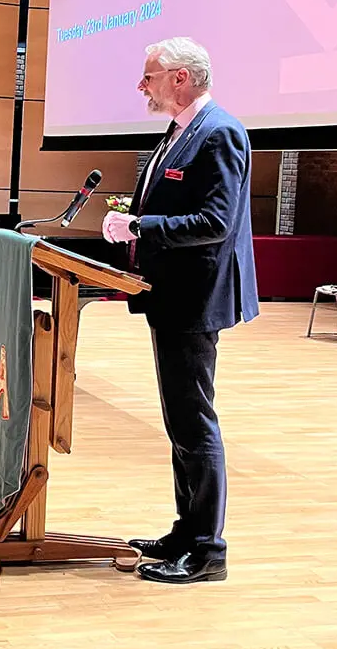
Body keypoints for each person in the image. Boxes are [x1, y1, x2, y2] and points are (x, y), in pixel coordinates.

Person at [103, 37, 258, 584]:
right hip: (169, 295)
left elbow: (216, 222)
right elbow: (173, 202)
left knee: (194, 422)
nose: (141, 85)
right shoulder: (180, 130)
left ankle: (208, 549)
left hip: (195, 299)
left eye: (149, 76)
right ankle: (186, 530)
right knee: (179, 422)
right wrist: (131, 215)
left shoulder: (220, 132)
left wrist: (142, 227)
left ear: (180, 78)